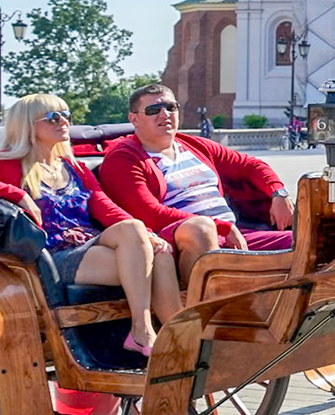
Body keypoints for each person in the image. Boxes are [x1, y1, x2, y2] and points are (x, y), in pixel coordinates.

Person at [0, 94, 180, 356]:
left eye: (66, 115)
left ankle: (176, 338)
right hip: (51, 256)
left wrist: (149, 235)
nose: (64, 122)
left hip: (88, 244)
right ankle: (143, 331)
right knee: (145, 248)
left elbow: (105, 207)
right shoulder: (8, 164)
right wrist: (17, 194)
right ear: (28, 127)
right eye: (52, 117)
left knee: (157, 248)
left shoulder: (73, 167)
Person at [97, 83, 294, 281]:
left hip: (235, 235)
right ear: (134, 119)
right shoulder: (123, 159)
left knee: (313, 239)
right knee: (202, 230)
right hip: (184, 244)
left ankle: (298, 305)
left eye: (171, 107)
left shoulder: (193, 144)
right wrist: (221, 227)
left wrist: (278, 193)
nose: (164, 114)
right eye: (153, 110)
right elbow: (149, 214)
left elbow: (251, 165)